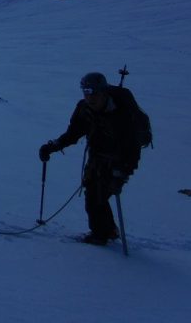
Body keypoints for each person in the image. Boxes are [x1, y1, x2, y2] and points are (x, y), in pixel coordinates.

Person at [38, 72, 144, 245]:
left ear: (104, 92)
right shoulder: (84, 109)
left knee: (96, 197)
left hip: (118, 161)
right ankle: (108, 230)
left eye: (93, 92)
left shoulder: (122, 114)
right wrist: (53, 146)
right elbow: (73, 134)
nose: (89, 96)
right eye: (85, 91)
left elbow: (133, 150)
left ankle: (100, 236)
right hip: (96, 158)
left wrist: (123, 173)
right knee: (95, 194)